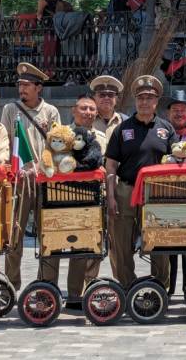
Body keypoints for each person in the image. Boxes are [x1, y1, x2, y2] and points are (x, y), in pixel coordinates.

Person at [104, 75, 177, 289]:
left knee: (158, 241)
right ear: (135, 101)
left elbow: (178, 158)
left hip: (157, 193)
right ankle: (127, 287)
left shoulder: (166, 128)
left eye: (149, 97)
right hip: (126, 190)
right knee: (121, 243)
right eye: (141, 97)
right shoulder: (122, 129)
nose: (145, 102)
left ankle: (159, 288)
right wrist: (111, 197)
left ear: (157, 101)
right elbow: (110, 166)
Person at [1, 62, 62, 290]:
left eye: (27, 85)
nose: (22, 89)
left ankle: (47, 284)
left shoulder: (51, 112)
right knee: (14, 232)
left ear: (39, 88)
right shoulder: (10, 109)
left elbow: (57, 143)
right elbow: (7, 142)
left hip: (45, 179)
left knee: (49, 232)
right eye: (20, 85)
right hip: (19, 180)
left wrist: (44, 167)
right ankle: (11, 284)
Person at [65, 94, 109, 308]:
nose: (88, 113)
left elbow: (107, 165)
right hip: (68, 196)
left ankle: (90, 289)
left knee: (95, 244)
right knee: (76, 245)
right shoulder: (62, 134)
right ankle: (73, 294)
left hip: (96, 195)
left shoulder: (101, 137)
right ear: (74, 110)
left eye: (92, 109)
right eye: (84, 108)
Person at [163, 88, 186, 294]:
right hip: (165, 195)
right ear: (168, 113)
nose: (179, 113)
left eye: (183, 109)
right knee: (166, 243)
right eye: (175, 109)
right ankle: (166, 289)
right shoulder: (160, 131)